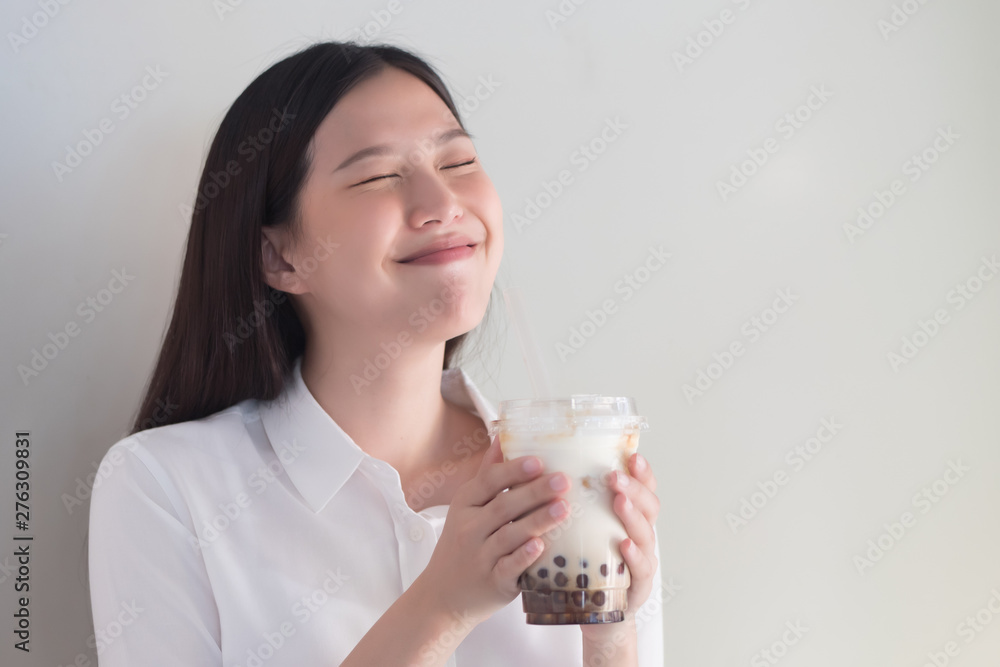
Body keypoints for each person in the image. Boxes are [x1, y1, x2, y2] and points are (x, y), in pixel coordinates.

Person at [87, 40, 664, 666]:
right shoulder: (165, 487)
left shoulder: (578, 473)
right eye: (378, 175)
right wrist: (442, 605)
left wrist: (612, 639)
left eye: (459, 161)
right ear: (281, 257)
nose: (443, 205)